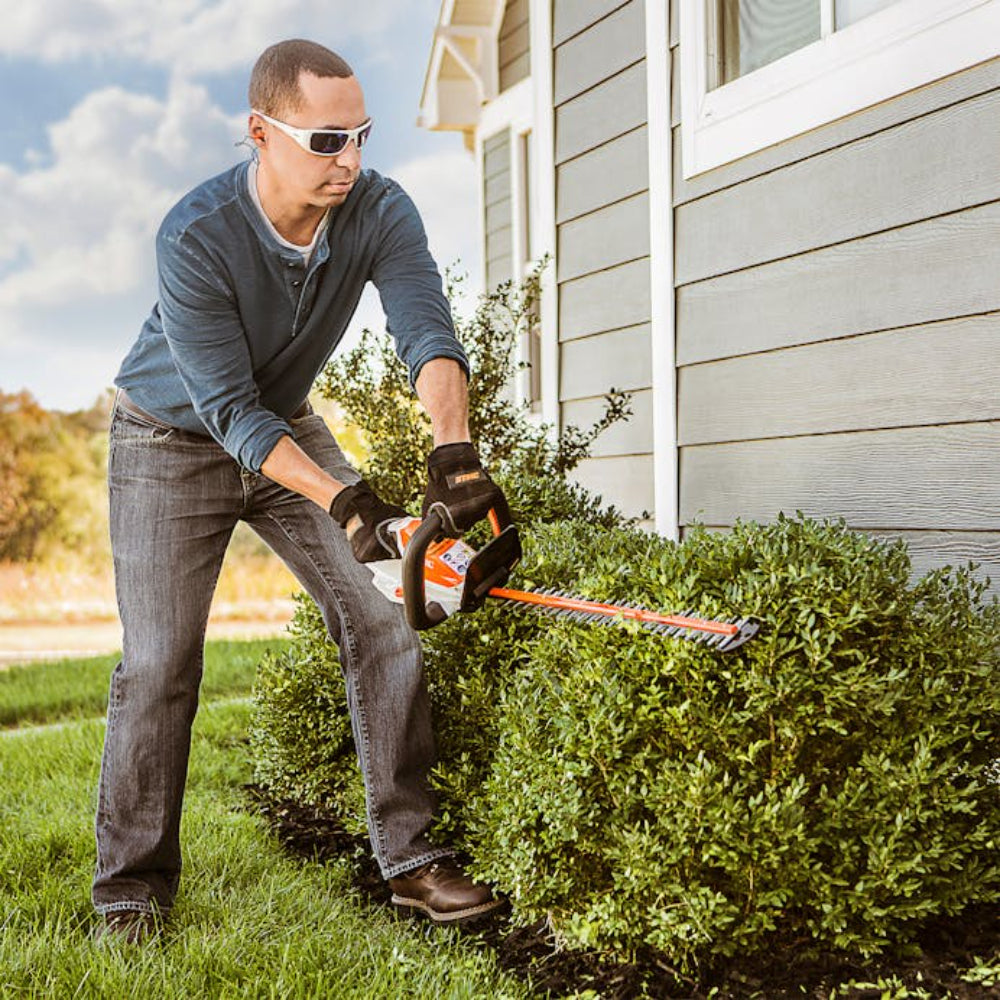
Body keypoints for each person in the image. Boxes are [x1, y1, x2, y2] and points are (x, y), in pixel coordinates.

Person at [93, 38, 509, 944]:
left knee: (385, 613)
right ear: (260, 133)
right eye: (327, 141)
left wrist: (455, 450)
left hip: (283, 425)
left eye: (361, 136)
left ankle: (411, 863)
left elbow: (426, 327)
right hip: (170, 438)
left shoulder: (377, 208)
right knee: (161, 664)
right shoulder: (196, 234)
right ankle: (130, 892)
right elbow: (231, 414)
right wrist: (348, 501)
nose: (350, 161)